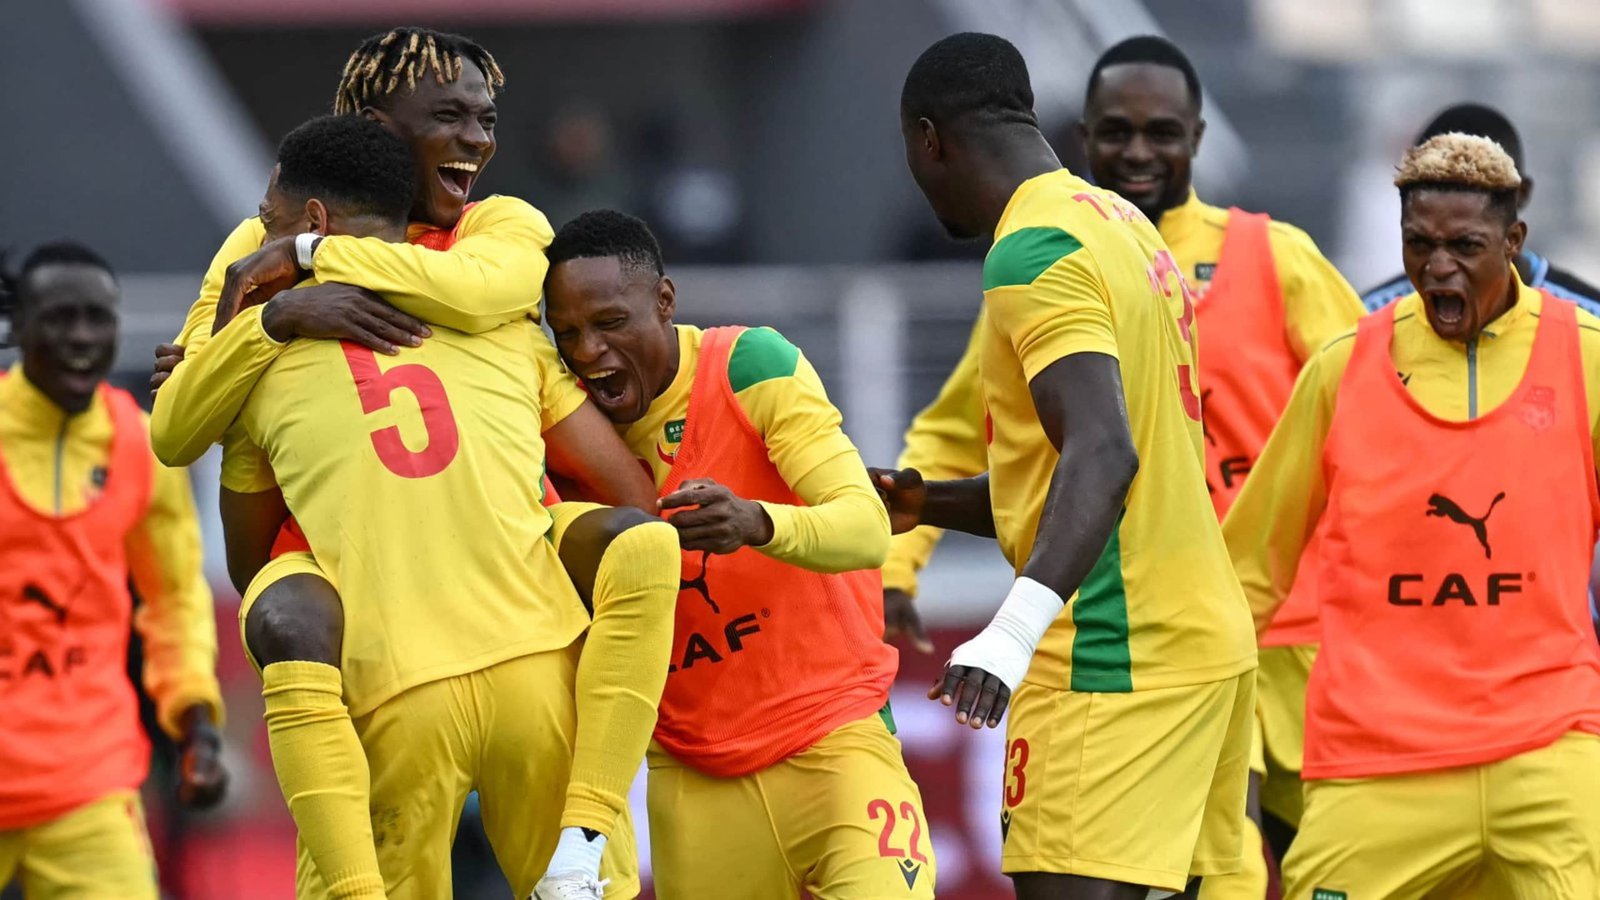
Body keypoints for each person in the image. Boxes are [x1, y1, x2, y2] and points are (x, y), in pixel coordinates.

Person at [149, 30, 672, 900]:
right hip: (365, 600)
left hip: (499, 588)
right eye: (450, 116)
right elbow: (195, 390)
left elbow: (476, 292)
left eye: (486, 118)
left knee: (634, 538)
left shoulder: (487, 232)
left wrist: (304, 270)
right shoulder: (268, 236)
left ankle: (583, 828)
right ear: (374, 127)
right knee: (286, 607)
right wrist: (268, 323)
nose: (477, 138)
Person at [880, 33, 1256, 899]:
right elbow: (1089, 467)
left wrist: (1008, 637)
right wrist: (926, 500)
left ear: (930, 138)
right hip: (1203, 642)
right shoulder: (1122, 225)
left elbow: (1106, 454)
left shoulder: (1030, 251)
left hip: (1110, 654)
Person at [1226, 133, 1600, 898]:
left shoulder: (1586, 357)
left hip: (1548, 750)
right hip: (1376, 765)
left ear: (1514, 241)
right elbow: (1244, 573)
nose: (1437, 267)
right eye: (1418, 244)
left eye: (1465, 245)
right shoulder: (1342, 370)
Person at [543, 210, 935, 899]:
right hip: (693, 777)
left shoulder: (747, 365)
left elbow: (866, 528)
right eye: (567, 332)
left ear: (664, 302)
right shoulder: (562, 435)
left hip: (836, 744)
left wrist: (756, 522)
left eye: (609, 323)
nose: (589, 352)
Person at [0, 242, 227, 897]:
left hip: (87, 785)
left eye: (98, 319)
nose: (81, 338)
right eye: (59, 319)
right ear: (20, 328)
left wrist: (197, 721)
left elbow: (176, 599)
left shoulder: (141, 446)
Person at [1361, 103, 1600, 317]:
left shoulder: (1589, 324)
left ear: (1521, 195)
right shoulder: (1367, 322)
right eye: (1422, 242)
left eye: (1465, 243)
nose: (1442, 266)